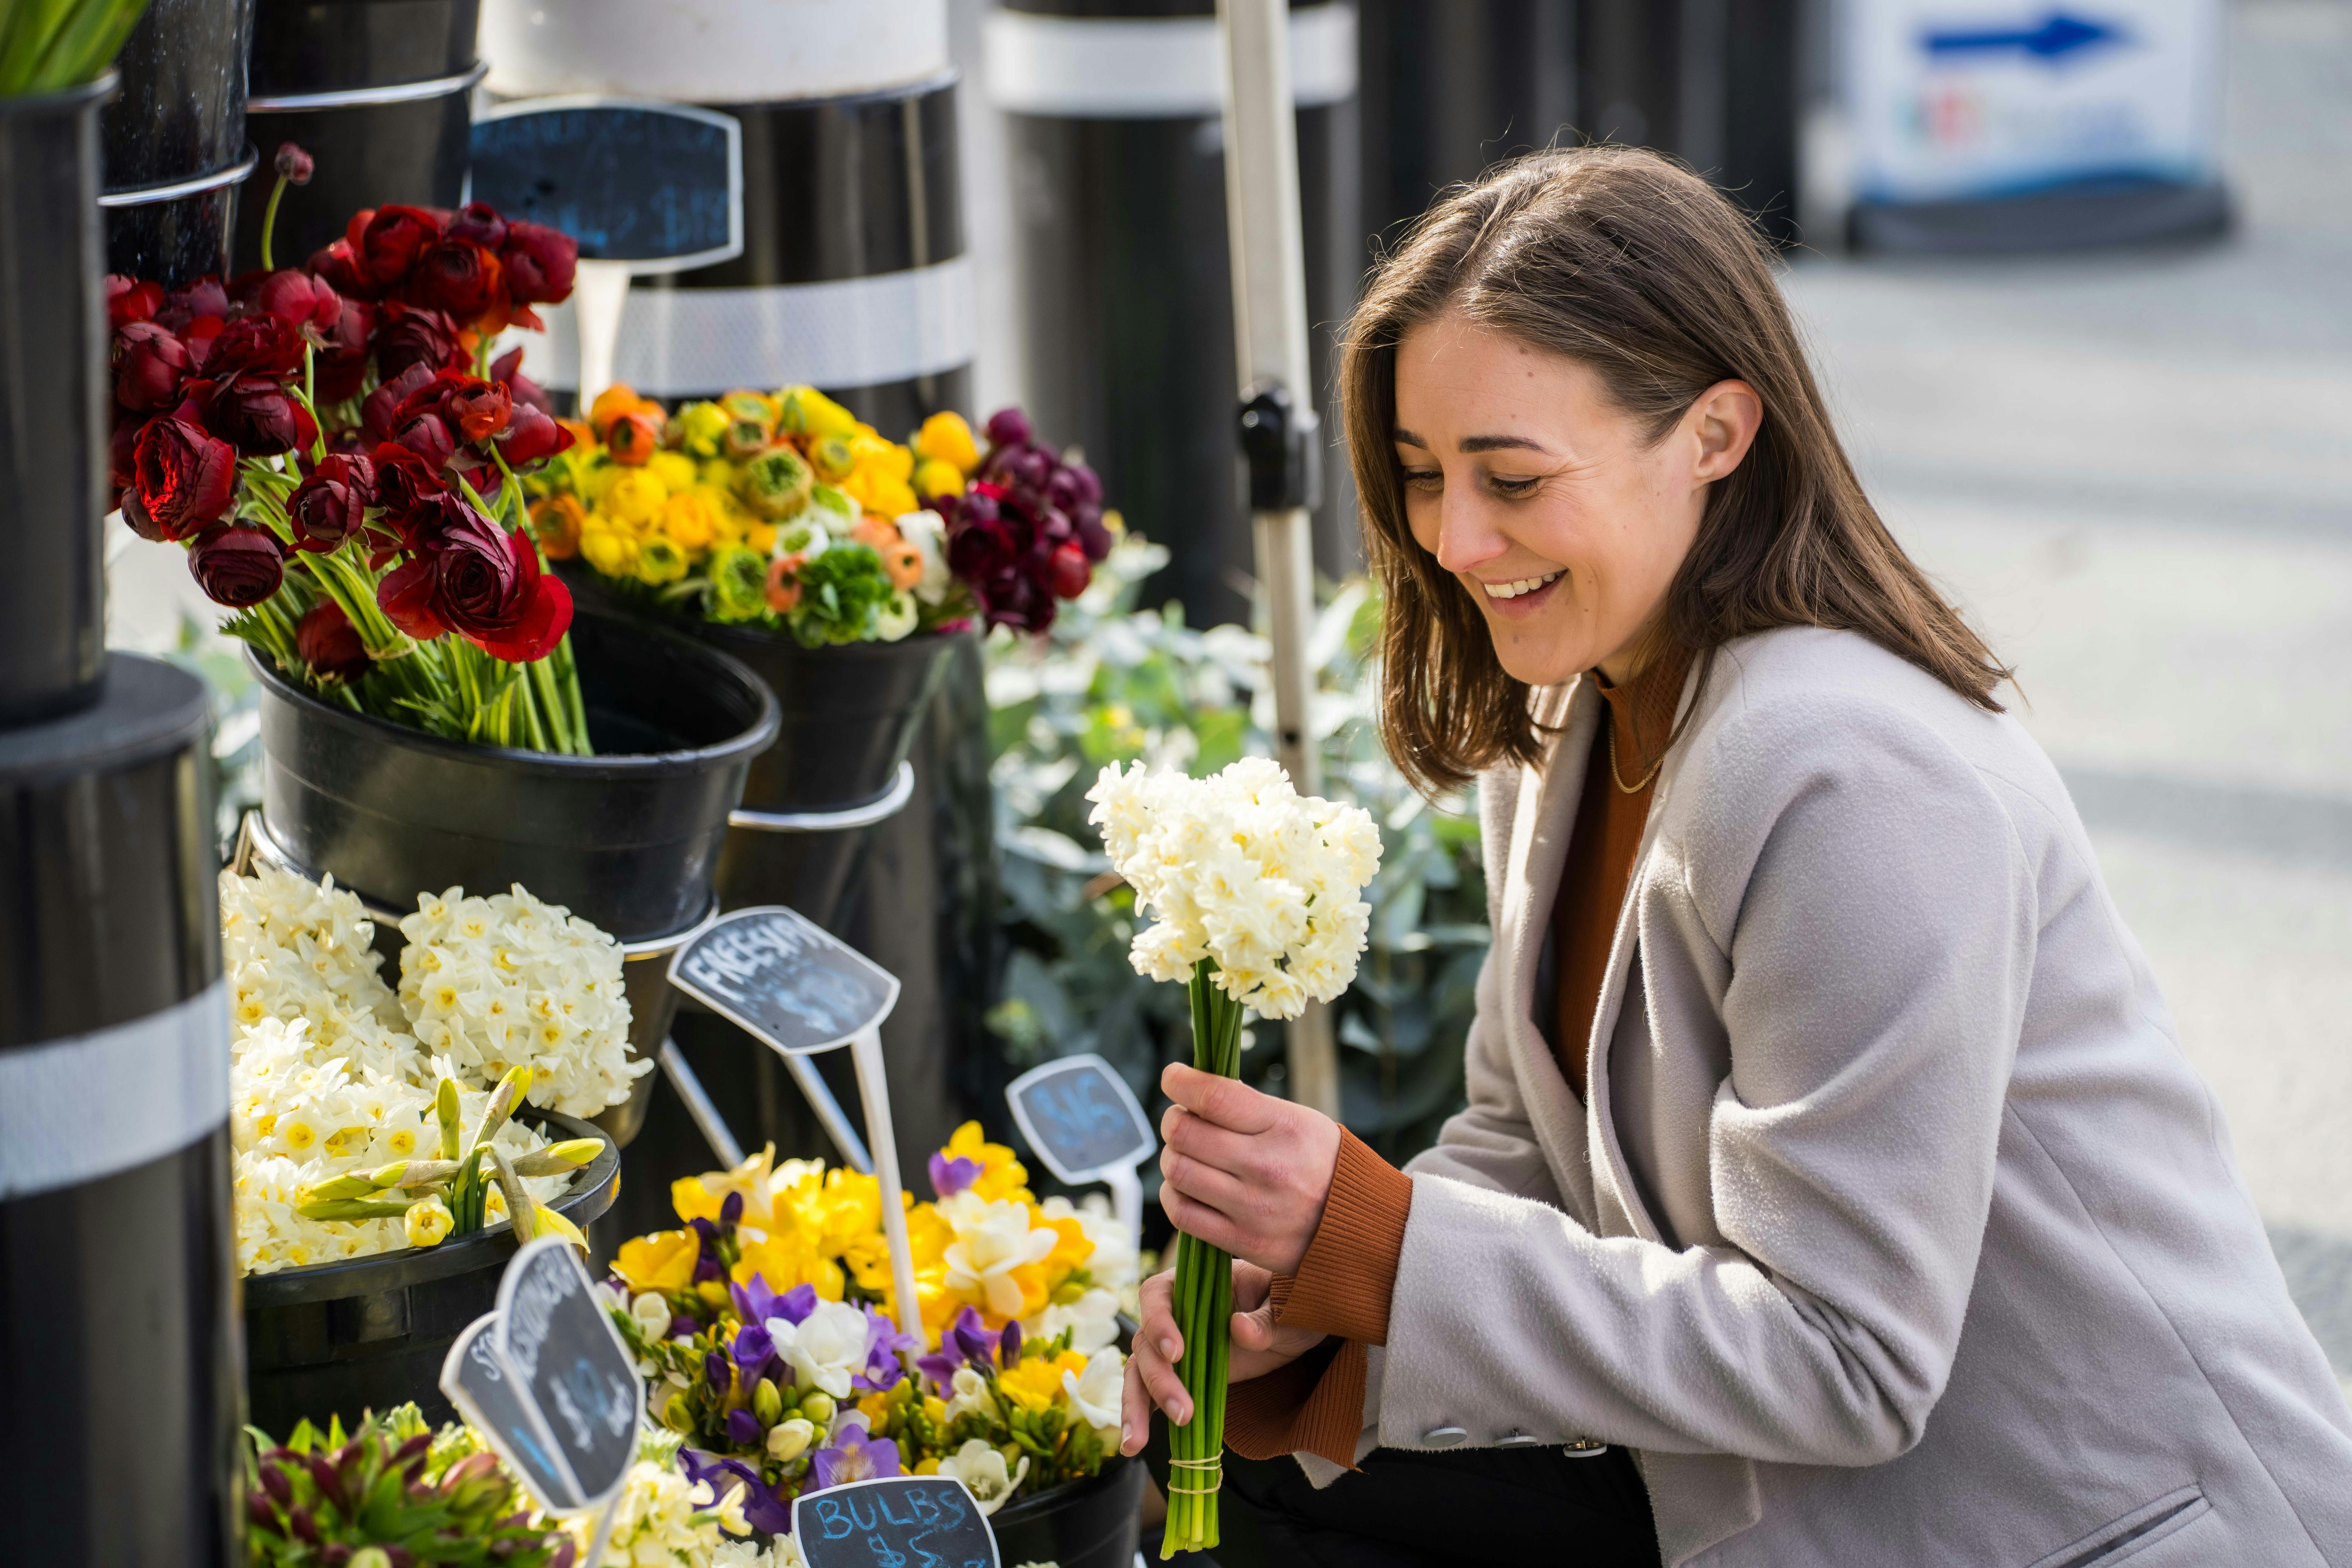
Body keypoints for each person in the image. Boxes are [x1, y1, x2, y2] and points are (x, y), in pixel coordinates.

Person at [1117, 146, 2352, 1567]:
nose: (1453, 538)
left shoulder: (1850, 775)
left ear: (1714, 432)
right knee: (1284, 1483)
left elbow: (1846, 1358)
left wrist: (1386, 1249)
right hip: (1798, 1508)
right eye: (1417, 475)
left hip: (2088, 1533)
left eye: (1510, 476)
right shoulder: (1579, 702)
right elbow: (1532, 1144)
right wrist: (1309, 1306)